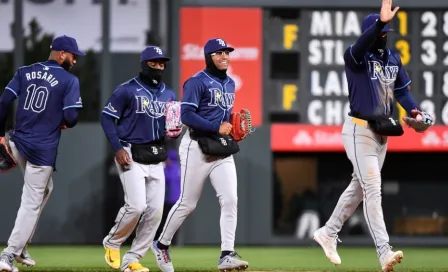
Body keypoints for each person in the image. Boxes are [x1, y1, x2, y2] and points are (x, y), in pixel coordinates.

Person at [313, 1, 434, 272]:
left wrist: (415, 111)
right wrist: (378, 23)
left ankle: (328, 232)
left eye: (386, 31)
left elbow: (402, 91)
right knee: (373, 189)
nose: (384, 35)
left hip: (382, 133)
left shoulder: (392, 58)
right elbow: (361, 45)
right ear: (370, 32)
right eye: (380, 31)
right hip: (358, 129)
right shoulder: (355, 57)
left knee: (359, 187)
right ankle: (383, 250)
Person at [151, 38, 249, 272]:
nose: (224, 56)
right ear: (209, 57)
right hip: (196, 146)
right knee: (187, 203)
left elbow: (225, 116)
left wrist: (233, 128)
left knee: (231, 200)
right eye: (219, 53)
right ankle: (161, 244)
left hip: (221, 147)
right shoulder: (196, 82)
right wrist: (217, 127)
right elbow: (186, 115)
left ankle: (227, 254)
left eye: (226, 52)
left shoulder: (231, 84)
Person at [0, 35, 85, 272]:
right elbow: (71, 118)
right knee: (32, 201)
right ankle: (9, 254)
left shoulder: (25, 71)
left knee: (46, 189)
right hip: (41, 149)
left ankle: (22, 243)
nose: (74, 61)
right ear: (61, 54)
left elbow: (4, 101)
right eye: (72, 55)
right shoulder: (69, 80)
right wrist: (62, 120)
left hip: (16, 141)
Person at [102, 45, 178, 272]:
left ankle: (132, 259)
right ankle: (112, 242)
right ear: (144, 64)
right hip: (130, 151)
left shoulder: (169, 94)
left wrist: (173, 130)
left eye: (162, 63)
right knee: (136, 206)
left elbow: (169, 127)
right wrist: (117, 147)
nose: (158, 66)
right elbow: (107, 118)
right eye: (154, 62)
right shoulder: (126, 90)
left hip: (156, 154)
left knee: (155, 211)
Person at [153, 150, 181, 243]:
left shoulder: (173, 167)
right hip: (170, 199)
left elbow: (168, 178)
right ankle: (161, 240)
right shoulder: (178, 167)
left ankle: (164, 241)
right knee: (165, 221)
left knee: (167, 221)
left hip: (170, 199)